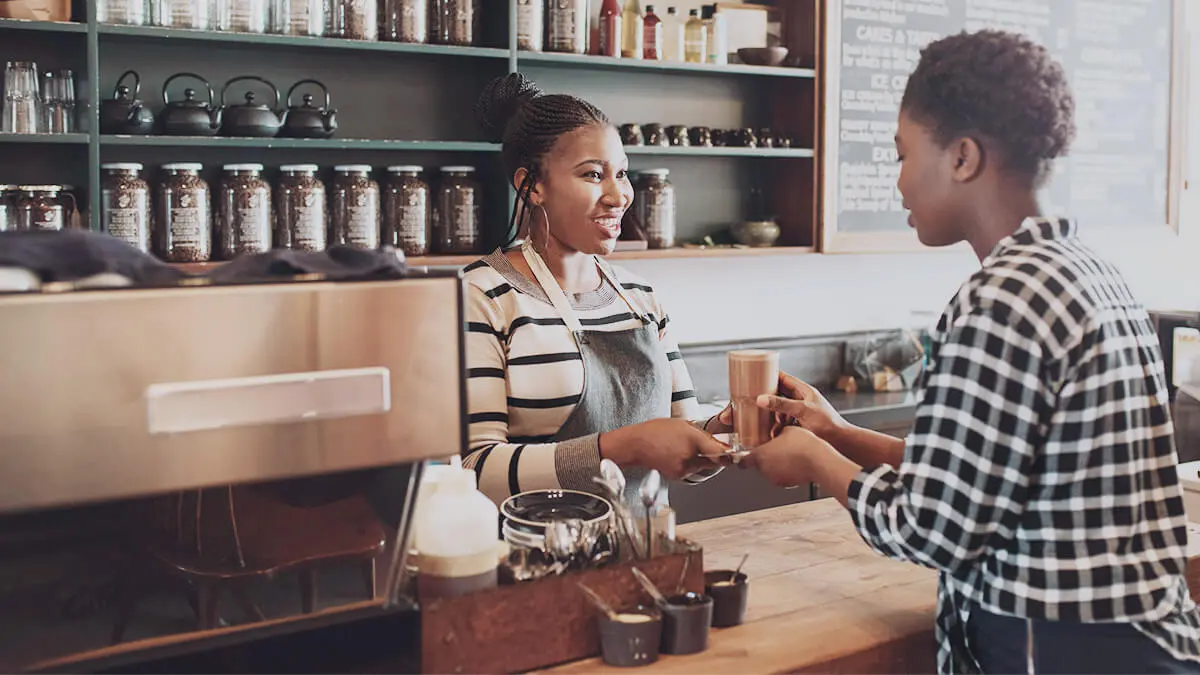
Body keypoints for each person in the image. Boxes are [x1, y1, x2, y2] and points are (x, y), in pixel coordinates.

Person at [747, 30, 1200, 674]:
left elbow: (931, 527)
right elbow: (983, 478)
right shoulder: (1087, 269)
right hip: (1137, 641)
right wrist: (840, 433)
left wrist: (817, 462)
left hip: (1061, 648)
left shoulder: (1001, 299)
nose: (897, 179)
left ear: (962, 158)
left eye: (903, 155)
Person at [462, 73, 730, 511]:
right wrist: (623, 446)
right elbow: (475, 471)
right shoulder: (482, 295)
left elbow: (687, 437)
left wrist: (727, 429)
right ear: (532, 185)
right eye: (593, 174)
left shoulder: (639, 297)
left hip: (643, 555)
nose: (619, 195)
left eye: (621, 174)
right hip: (532, 564)